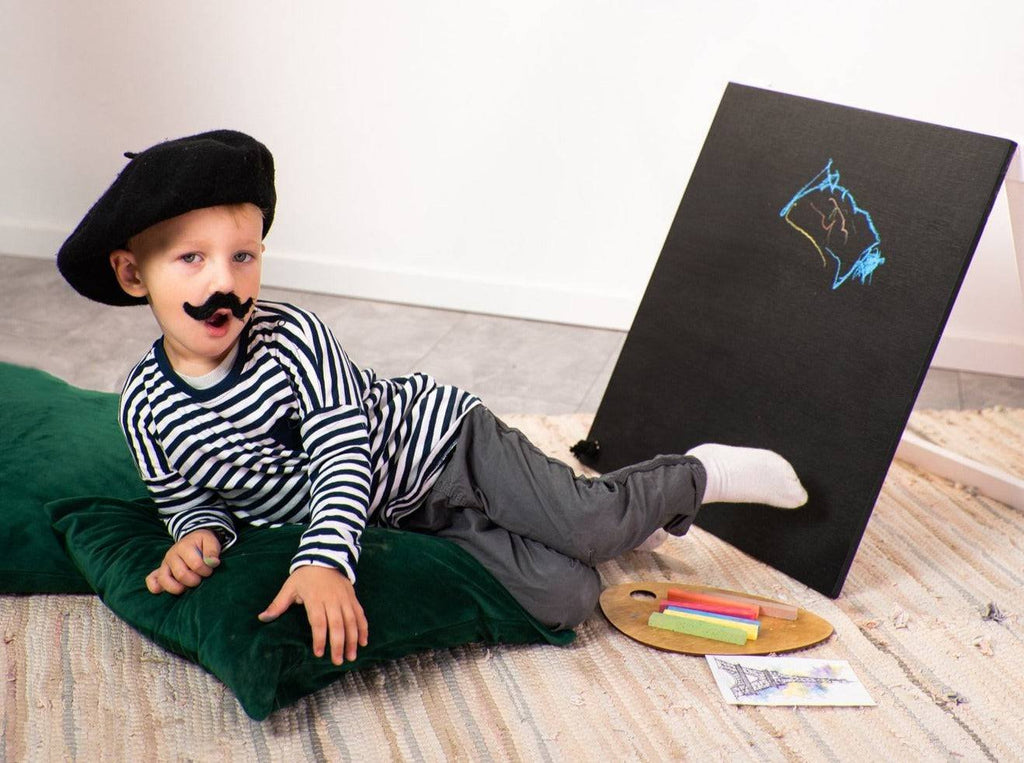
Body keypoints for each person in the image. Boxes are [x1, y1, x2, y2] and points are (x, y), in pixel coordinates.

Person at [57, 130, 807, 668]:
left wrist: (323, 563)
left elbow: (345, 456)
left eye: (244, 255)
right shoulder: (147, 407)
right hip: (408, 518)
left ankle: (693, 477)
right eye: (191, 258)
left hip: (445, 449)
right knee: (569, 596)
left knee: (589, 519)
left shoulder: (293, 339)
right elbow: (191, 498)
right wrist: (198, 536)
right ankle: (613, 525)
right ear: (132, 274)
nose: (224, 282)